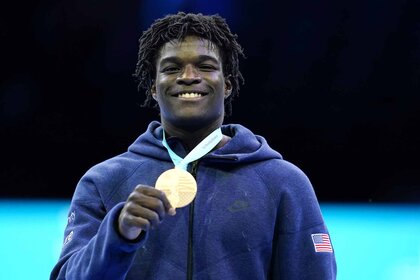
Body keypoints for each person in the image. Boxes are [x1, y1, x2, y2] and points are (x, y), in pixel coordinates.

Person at [50, 12, 337, 279]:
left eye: (205, 66)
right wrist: (118, 234)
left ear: (228, 84)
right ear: (153, 86)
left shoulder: (283, 183)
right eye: (172, 67)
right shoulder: (104, 181)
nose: (188, 76)